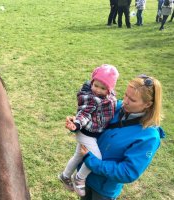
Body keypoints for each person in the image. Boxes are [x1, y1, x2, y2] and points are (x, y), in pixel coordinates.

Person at [65, 74, 165, 199]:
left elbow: (127, 172)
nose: (125, 102)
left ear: (148, 104)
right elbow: (91, 123)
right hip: (85, 178)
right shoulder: (114, 107)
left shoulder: (149, 136)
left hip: (102, 189)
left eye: (132, 100)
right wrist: (76, 124)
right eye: (125, 95)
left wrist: (91, 161)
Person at [58, 64, 119, 197]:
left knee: (78, 155)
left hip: (93, 133)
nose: (98, 90)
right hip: (86, 133)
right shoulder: (92, 99)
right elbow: (84, 114)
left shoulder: (108, 98)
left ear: (109, 89)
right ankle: (79, 178)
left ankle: (65, 175)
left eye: (103, 88)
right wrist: (77, 124)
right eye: (96, 85)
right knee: (96, 157)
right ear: (92, 82)